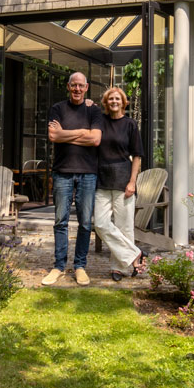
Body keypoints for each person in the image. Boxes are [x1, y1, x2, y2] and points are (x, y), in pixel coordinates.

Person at [43, 71, 101, 286]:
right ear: (68, 86)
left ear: (86, 88)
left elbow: (95, 140)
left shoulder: (94, 110)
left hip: (88, 173)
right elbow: (53, 136)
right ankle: (58, 266)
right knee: (61, 221)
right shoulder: (57, 109)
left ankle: (79, 266)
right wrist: (82, 132)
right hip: (62, 173)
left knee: (85, 222)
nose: (77, 89)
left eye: (81, 86)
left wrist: (65, 134)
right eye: (73, 85)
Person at [92, 86, 144, 281]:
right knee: (100, 224)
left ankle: (119, 267)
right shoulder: (100, 122)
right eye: (111, 99)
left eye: (118, 99)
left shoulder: (130, 124)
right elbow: (89, 110)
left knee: (124, 227)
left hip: (124, 181)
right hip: (102, 180)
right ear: (106, 102)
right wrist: (90, 103)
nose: (114, 101)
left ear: (124, 102)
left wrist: (133, 182)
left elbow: (137, 156)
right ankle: (135, 254)